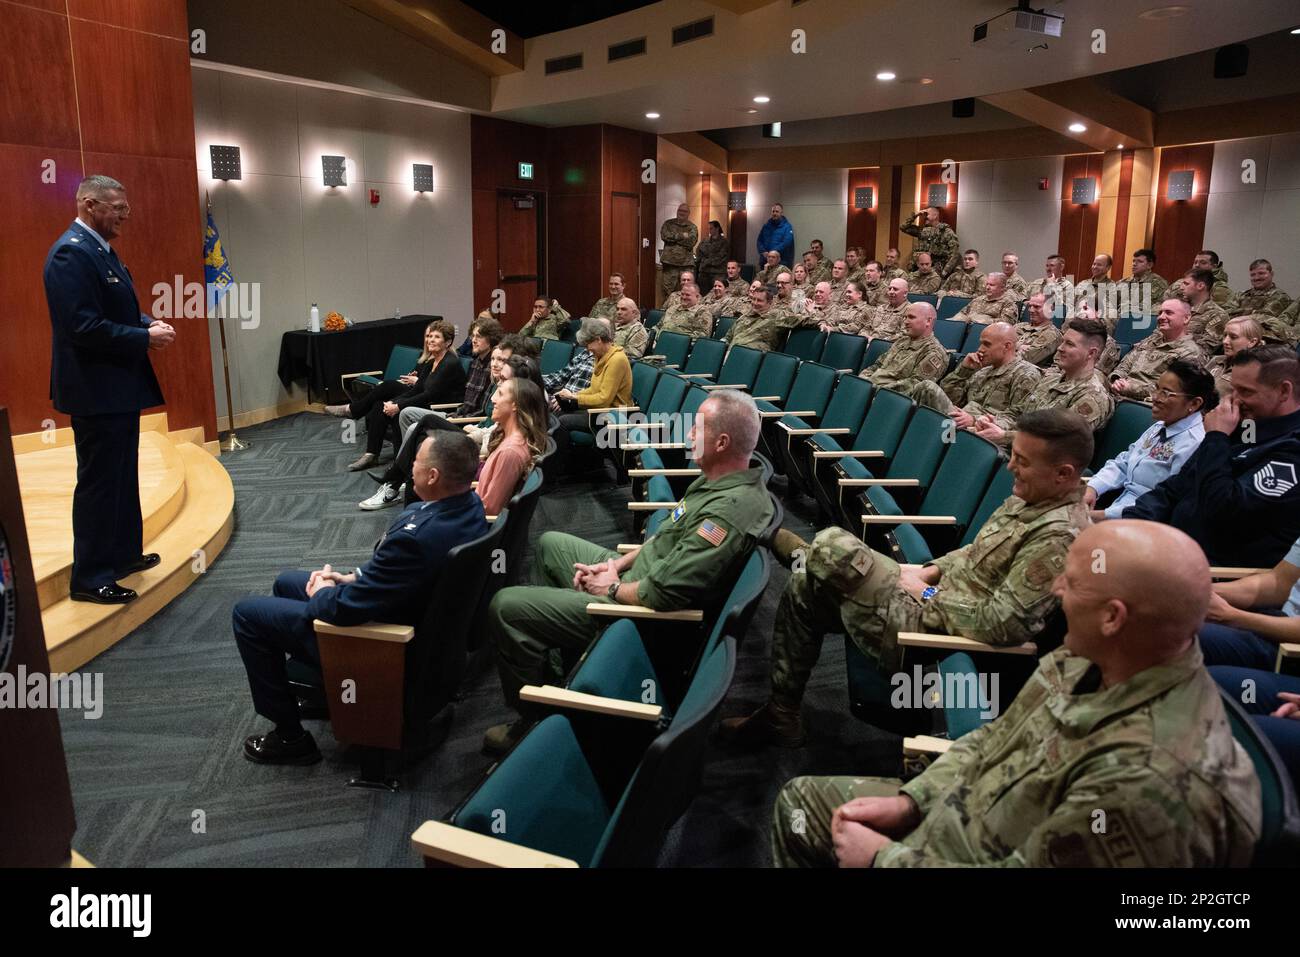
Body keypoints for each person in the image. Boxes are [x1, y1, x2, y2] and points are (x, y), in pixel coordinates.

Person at [770, 520, 1261, 868]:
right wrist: (914, 801)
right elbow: (991, 742)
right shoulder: (1088, 659)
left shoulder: (1145, 780)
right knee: (799, 805)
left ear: (1114, 617)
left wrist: (882, 860)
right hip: (971, 810)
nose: (1056, 590)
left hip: (986, 849)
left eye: (1072, 583)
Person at [722, 408, 1092, 749]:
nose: (1010, 466)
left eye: (1022, 461)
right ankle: (780, 715)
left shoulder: (1058, 536)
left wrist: (928, 592)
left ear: (1064, 474)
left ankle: (786, 544)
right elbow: (974, 551)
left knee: (835, 545)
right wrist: (931, 570)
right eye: (1012, 454)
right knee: (807, 587)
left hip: (934, 633)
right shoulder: (1032, 499)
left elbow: (1004, 624)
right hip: (927, 598)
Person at [484, 390, 774, 753]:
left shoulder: (727, 513)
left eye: (696, 429)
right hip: (636, 580)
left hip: (639, 617)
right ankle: (557, 680)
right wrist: (615, 564)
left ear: (722, 441)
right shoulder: (715, 481)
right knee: (551, 544)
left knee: (505, 605)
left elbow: (665, 593)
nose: (688, 436)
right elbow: (666, 534)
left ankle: (534, 722)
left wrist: (609, 589)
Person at [233, 430, 488, 765]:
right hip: (412, 616)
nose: (410, 466)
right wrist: (351, 577)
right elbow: (397, 575)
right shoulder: (469, 506)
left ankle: (290, 737)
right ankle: (333, 691)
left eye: (415, 461)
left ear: (432, 475)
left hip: (380, 644)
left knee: (247, 614)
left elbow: (345, 610)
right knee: (286, 582)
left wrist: (325, 593)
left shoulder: (418, 538)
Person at [44, 174, 173, 604]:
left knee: (121, 475)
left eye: (126, 207)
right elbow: (82, 326)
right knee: (99, 483)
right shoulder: (70, 254)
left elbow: (115, 308)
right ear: (88, 204)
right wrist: (143, 339)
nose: (125, 215)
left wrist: (144, 323)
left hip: (117, 388)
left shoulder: (101, 252)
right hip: (94, 391)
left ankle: (121, 555)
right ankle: (89, 577)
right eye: (117, 208)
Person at [1124, 346, 1300, 568]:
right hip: (1167, 547)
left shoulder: (1292, 452)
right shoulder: (1246, 426)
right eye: (1233, 389)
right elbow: (1174, 488)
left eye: (1246, 392)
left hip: (1213, 573)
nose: (1234, 401)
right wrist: (1128, 525)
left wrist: (1216, 437)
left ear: (1284, 391)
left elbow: (1222, 511)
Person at [327, 319, 467, 472]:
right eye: (430, 336)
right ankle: (372, 454)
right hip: (427, 402)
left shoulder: (450, 363)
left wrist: (398, 406)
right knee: (381, 404)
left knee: (392, 395)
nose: (431, 340)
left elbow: (429, 394)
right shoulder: (432, 361)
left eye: (436, 337)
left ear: (447, 342)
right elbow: (417, 390)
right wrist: (393, 404)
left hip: (441, 409)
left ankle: (397, 462)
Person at [1085, 360, 1215, 521]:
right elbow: (1124, 462)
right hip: (1116, 505)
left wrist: (1100, 516)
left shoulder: (1195, 444)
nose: (1155, 398)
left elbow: (1162, 505)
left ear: (1194, 403)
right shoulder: (1160, 426)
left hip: (1140, 522)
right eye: (1157, 389)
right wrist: (1093, 487)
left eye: (1166, 393)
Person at [973, 318, 1115, 449]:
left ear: (1091, 354)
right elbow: (1018, 413)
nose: (1060, 348)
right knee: (960, 435)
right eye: (1062, 341)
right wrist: (994, 423)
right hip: (1015, 448)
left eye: (1069, 344)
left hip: (1042, 465)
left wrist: (1004, 436)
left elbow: (1059, 441)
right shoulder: (1050, 380)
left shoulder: (1093, 396)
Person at [908, 322, 1041, 426]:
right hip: (959, 424)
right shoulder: (982, 371)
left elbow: (1020, 420)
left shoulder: (1025, 374)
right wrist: (963, 371)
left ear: (1007, 346)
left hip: (985, 432)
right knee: (925, 389)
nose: (980, 349)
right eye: (981, 343)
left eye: (986, 344)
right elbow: (952, 399)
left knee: (927, 387)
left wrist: (975, 420)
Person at [553, 318, 632, 467]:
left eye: (589, 344)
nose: (587, 348)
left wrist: (575, 398)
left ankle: (559, 467)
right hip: (599, 411)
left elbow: (604, 399)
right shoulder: (600, 356)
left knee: (562, 421)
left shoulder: (617, 359)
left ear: (599, 339)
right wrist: (571, 395)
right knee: (556, 414)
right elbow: (594, 389)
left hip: (613, 414)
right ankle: (556, 465)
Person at [475, 378, 549, 516]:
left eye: (501, 394)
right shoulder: (507, 438)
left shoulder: (510, 452)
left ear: (515, 405)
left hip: (476, 526)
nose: (493, 399)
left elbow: (489, 509)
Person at [1109, 297, 1204, 401]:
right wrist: (1117, 379)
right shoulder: (1152, 340)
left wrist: (1130, 388)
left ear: (1186, 318)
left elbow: (1170, 390)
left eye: (1169, 313)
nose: (1161, 317)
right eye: (1160, 313)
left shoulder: (1190, 353)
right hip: (1118, 390)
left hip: (1145, 403)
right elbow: (1127, 362)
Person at [857, 301, 948, 391]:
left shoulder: (934, 353)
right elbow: (877, 365)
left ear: (928, 321)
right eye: (905, 317)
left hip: (886, 397)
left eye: (911, 317)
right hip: (869, 388)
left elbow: (914, 386)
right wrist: (862, 380)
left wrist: (872, 389)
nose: (905, 322)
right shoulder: (902, 341)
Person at [1208, 316, 1263, 395]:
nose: (1225, 341)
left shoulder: (1255, 373)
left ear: (1252, 342)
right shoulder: (1216, 360)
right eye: (1225, 335)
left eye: (1233, 337)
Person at [1182, 268, 1231, 354]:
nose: (1181, 287)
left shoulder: (1217, 315)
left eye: (1186, 284)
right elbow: (1158, 335)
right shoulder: (1179, 308)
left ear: (1200, 286)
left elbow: (1204, 349)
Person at [901, 206, 959, 277]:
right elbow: (903, 227)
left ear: (935, 216)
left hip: (936, 272)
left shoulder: (946, 232)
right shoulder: (922, 231)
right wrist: (915, 215)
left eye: (927, 214)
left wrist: (945, 272)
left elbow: (954, 254)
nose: (925, 216)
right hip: (919, 270)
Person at [1229, 258, 1292, 322]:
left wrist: (1237, 312)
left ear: (1271, 274)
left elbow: (1264, 317)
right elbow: (1225, 312)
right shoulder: (1241, 294)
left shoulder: (1279, 296)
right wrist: (1250, 312)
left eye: (1261, 273)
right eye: (1253, 275)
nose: (1257, 278)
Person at [660, 203, 698, 302]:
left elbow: (691, 242)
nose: (682, 213)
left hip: (685, 265)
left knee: (686, 291)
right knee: (667, 292)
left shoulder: (692, 227)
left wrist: (674, 238)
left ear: (688, 213)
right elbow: (664, 236)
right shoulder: (668, 224)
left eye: (684, 211)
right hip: (669, 264)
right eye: (680, 210)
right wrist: (682, 236)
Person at [1014, 292, 1063, 366]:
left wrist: (1011, 345)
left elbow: (1025, 358)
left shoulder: (1051, 334)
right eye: (1030, 306)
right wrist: (1019, 346)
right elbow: (996, 344)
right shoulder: (1019, 326)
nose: (1031, 310)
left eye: (1036, 307)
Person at [1114, 247, 1168, 314]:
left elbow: (1156, 307)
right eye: (1133, 261)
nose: (1134, 264)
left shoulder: (1158, 283)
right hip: (1118, 317)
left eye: (1139, 261)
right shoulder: (1123, 282)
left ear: (1149, 265)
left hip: (1142, 319)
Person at [954, 272, 1020, 324]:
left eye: (992, 285)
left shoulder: (1008, 304)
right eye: (987, 284)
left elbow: (1005, 325)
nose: (987, 287)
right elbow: (962, 314)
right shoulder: (977, 300)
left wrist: (980, 320)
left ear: (1002, 288)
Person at [1027, 253, 1074, 321]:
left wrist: (1051, 286)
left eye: (1052, 265)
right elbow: (1025, 304)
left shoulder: (1067, 286)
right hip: (1031, 320)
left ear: (1061, 267)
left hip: (1051, 324)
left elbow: (1060, 312)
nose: (1048, 269)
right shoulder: (1036, 283)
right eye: (1047, 266)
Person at [756, 202, 794, 267]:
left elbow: (786, 243)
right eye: (773, 211)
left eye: (777, 211)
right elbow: (759, 241)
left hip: (781, 262)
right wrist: (763, 251)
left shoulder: (787, 226)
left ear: (781, 213)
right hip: (765, 261)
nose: (774, 213)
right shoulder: (766, 226)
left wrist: (772, 253)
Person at [695, 220, 729, 290]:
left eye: (711, 228)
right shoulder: (705, 241)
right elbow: (698, 252)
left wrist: (706, 261)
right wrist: (703, 261)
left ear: (717, 228)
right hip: (704, 273)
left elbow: (721, 257)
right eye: (709, 229)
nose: (709, 230)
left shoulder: (724, 242)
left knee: (717, 294)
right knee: (703, 293)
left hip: (718, 273)